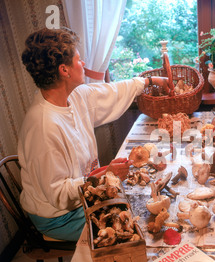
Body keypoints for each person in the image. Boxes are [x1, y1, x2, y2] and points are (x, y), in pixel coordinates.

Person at [18, 27, 169, 241]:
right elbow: (58, 195)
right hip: (60, 216)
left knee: (143, 198)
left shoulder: (75, 95)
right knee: (139, 223)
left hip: (83, 197)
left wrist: (150, 81)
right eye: (79, 60)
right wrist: (107, 175)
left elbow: (112, 92)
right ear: (64, 70)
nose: (83, 65)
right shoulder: (44, 126)